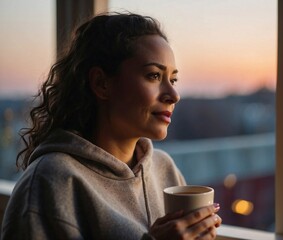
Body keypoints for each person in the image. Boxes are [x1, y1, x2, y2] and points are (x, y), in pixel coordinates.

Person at [1, 12, 221, 239]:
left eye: (173, 80)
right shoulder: (49, 183)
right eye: (154, 75)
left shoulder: (164, 170)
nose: (173, 95)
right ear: (101, 83)